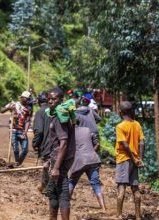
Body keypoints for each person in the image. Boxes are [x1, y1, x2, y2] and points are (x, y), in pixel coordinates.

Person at [45, 88, 76, 220]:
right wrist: (49, 161)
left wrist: (56, 167)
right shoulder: (58, 115)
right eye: (49, 99)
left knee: (62, 192)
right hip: (56, 159)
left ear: (61, 100)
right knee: (53, 192)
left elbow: (63, 143)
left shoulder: (60, 118)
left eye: (54, 99)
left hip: (60, 160)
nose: (51, 101)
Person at [115, 101, 145, 220]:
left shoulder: (120, 126)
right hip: (135, 160)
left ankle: (119, 215)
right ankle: (138, 216)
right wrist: (139, 159)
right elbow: (141, 142)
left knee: (121, 188)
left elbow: (125, 145)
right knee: (135, 188)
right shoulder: (137, 124)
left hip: (124, 159)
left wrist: (132, 158)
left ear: (120, 112)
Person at [68, 125, 106, 210]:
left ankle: (65, 204)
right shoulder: (87, 129)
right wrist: (92, 152)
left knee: (71, 181)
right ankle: (103, 207)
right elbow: (97, 143)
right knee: (96, 184)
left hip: (79, 161)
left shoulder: (70, 133)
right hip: (92, 159)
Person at [0, 91, 32, 165]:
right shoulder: (14, 104)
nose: (28, 100)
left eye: (29, 99)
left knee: (25, 150)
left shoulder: (28, 109)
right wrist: (9, 108)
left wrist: (25, 133)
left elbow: (27, 121)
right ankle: (17, 165)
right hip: (13, 130)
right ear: (22, 98)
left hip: (22, 131)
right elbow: (1, 111)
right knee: (16, 150)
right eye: (27, 99)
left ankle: (18, 164)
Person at [32, 91, 51, 193]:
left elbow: (39, 131)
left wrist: (35, 144)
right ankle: (43, 185)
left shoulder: (40, 112)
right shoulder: (55, 110)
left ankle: (48, 189)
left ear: (39, 101)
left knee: (46, 166)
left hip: (47, 146)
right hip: (59, 146)